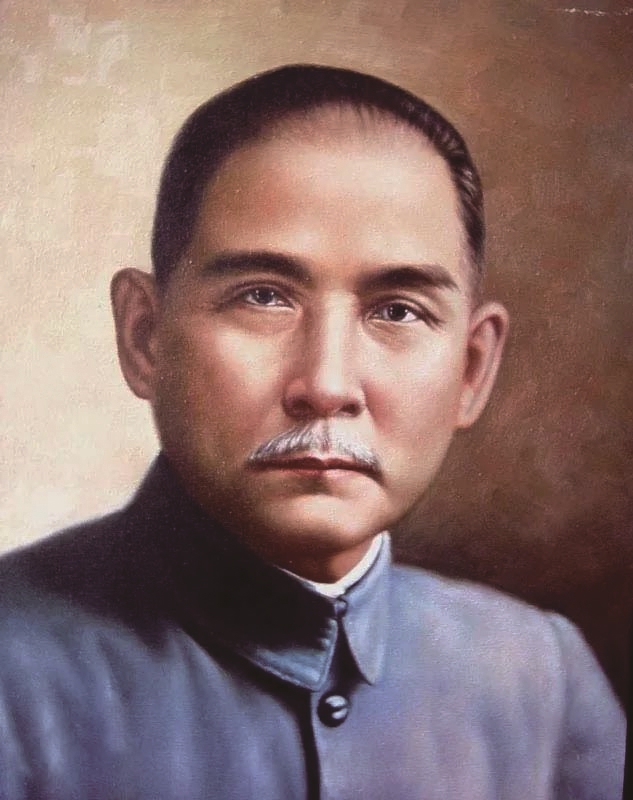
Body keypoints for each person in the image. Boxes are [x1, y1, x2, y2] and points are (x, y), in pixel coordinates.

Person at [0, 64, 624, 799]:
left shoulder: (541, 678)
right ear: (145, 337)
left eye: (397, 311)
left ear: (471, 369)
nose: (326, 385)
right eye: (263, 297)